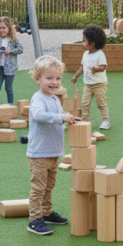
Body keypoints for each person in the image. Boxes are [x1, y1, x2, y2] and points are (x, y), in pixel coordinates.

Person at [27, 56, 79, 235]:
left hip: (53, 152)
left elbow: (58, 113)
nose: (54, 82)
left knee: (49, 186)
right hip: (39, 153)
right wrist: (61, 117)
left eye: (57, 78)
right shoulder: (38, 99)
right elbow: (39, 116)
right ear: (37, 79)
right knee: (38, 188)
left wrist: (68, 115)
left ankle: (46, 213)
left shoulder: (54, 99)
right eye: (49, 78)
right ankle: (34, 220)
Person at [70, 24, 110, 130]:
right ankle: (85, 120)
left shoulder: (100, 54)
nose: (82, 43)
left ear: (92, 44)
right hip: (88, 84)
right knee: (85, 103)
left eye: (84, 41)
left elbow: (103, 67)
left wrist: (96, 68)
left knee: (101, 103)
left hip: (99, 84)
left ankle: (105, 121)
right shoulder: (85, 54)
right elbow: (82, 67)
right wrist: (76, 76)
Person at [0, 16, 23, 104]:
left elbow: (20, 49)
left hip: (10, 68)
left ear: (9, 28)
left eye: (4, 28)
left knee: (8, 88)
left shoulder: (13, 40)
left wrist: (11, 51)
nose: (1, 30)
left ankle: (10, 105)